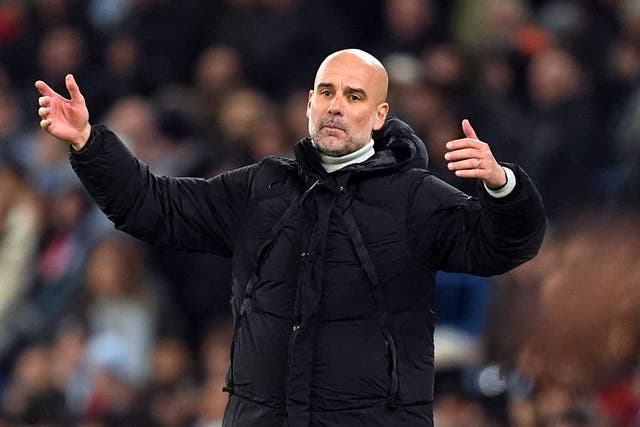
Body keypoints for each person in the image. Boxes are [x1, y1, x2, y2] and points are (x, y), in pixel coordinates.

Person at [35, 49, 546, 426]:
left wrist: (503, 186)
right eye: (326, 92)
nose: (336, 106)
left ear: (380, 115)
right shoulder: (262, 186)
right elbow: (155, 206)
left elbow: (500, 247)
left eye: (354, 95)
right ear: (308, 104)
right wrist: (88, 142)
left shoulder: (416, 197)